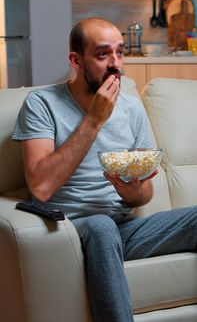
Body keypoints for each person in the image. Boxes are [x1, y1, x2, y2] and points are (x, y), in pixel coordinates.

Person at [12, 17, 197, 322]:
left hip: (123, 229)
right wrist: (94, 120)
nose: (115, 64)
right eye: (102, 54)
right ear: (76, 60)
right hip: (68, 231)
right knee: (100, 225)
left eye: (120, 53)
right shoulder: (41, 104)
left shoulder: (130, 108)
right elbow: (41, 187)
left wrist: (134, 191)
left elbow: (144, 193)